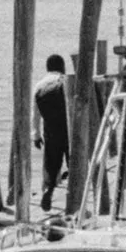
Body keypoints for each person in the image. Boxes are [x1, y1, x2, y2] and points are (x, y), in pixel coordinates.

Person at [36, 55, 70, 209]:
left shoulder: (40, 85)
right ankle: (73, 196)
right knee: (74, 163)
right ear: (62, 67)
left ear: (47, 67)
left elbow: (35, 114)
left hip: (50, 130)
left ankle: (48, 191)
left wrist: (35, 135)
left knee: (52, 164)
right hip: (69, 129)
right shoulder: (66, 81)